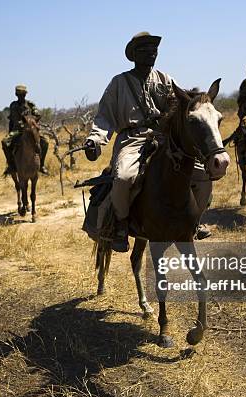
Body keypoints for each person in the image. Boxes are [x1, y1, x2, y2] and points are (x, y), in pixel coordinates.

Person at [83, 32, 175, 252]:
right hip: (132, 139)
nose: (152, 54)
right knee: (124, 178)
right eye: (145, 50)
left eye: (154, 50)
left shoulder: (165, 79)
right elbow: (105, 116)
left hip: (163, 137)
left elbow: (179, 105)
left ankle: (193, 221)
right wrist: (95, 140)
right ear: (134, 55)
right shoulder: (119, 83)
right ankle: (121, 224)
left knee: (198, 170)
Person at [1, 85, 49, 175]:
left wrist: (31, 121)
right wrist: (23, 124)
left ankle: (42, 165)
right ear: (16, 95)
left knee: (45, 142)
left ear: (25, 94)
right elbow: (15, 120)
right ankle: (11, 165)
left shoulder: (30, 104)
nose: (21, 96)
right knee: (4, 142)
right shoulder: (13, 105)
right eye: (19, 95)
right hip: (17, 130)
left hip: (30, 129)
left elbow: (38, 115)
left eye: (23, 94)